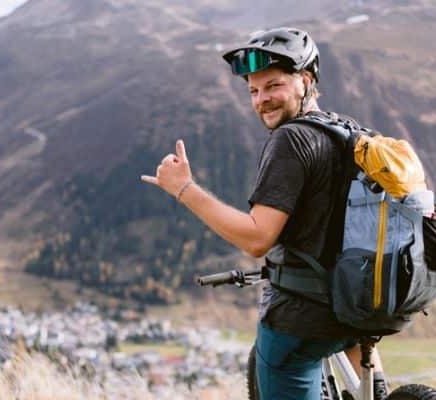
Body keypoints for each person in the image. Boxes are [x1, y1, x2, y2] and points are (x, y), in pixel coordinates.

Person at [141, 27, 388, 399]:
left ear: (304, 81)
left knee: (284, 361)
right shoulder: (351, 133)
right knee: (359, 356)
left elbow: (257, 238)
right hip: (361, 301)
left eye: (273, 86)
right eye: (253, 91)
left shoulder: (291, 139)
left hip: (303, 319)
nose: (261, 100)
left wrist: (184, 189)